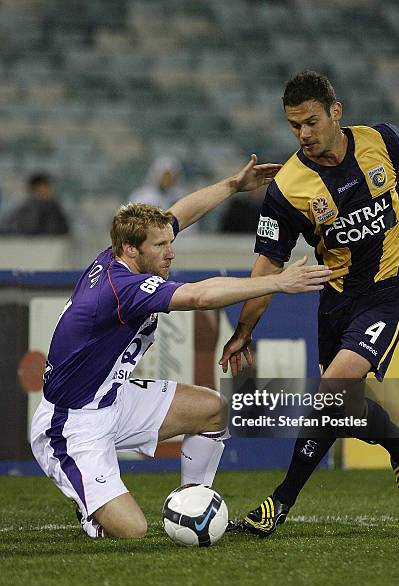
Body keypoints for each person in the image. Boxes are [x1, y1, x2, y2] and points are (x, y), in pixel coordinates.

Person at [30, 155, 331, 540]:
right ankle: (88, 503)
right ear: (131, 248)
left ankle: (192, 500)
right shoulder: (123, 288)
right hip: (71, 424)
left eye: (169, 242)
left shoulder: (121, 256)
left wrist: (233, 185)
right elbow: (202, 296)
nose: (170, 252)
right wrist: (278, 283)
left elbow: (179, 214)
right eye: (161, 246)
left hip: (111, 399)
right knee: (131, 531)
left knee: (214, 412)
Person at [219, 71, 399, 537]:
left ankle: (279, 504)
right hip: (335, 303)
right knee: (339, 407)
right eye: (294, 126)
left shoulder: (380, 140)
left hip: (389, 291)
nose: (304, 134)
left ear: (336, 111)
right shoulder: (288, 188)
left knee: (329, 393)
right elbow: (266, 268)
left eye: (311, 121)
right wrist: (244, 331)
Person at [5, 173, 69, 235]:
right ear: (38, 188)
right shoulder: (38, 206)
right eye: (47, 186)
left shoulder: (24, 206)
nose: (51, 190)